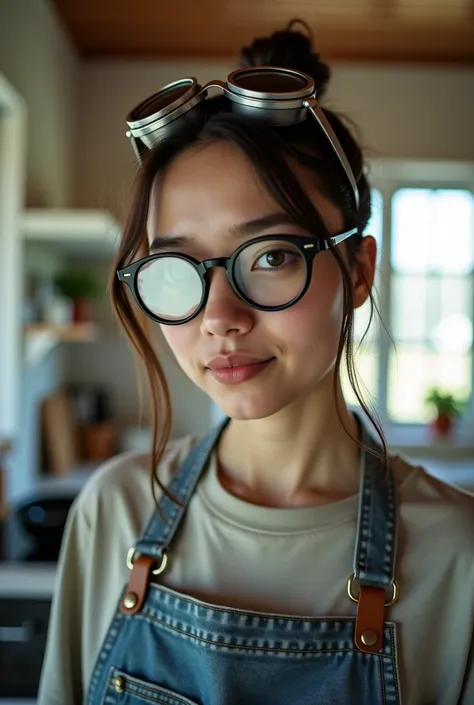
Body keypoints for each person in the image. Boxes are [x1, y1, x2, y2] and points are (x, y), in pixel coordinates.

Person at [38, 21, 474, 705]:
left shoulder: (457, 556)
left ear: (359, 270)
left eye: (270, 255)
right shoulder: (113, 512)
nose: (219, 316)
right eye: (177, 267)